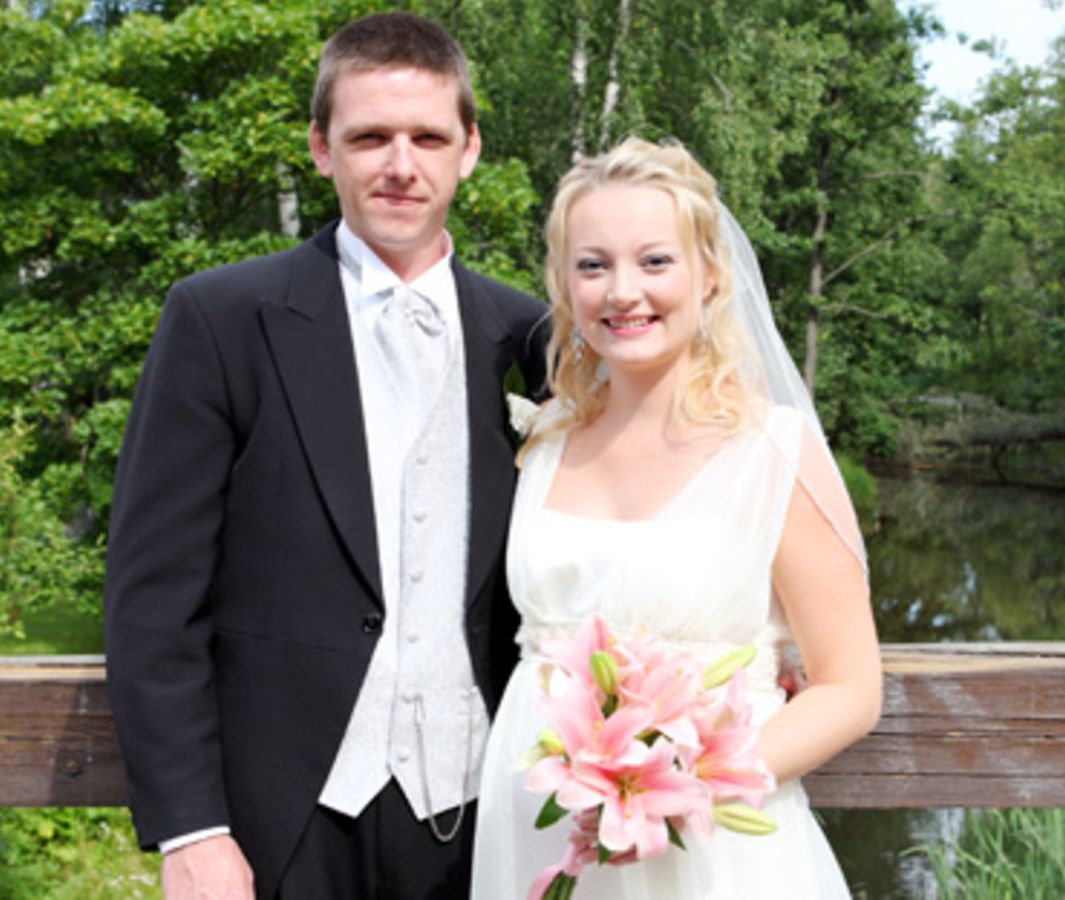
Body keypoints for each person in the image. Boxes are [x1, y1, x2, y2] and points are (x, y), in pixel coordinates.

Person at [103, 12, 546, 898]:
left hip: (485, 812)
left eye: (428, 137)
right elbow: (153, 597)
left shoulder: (535, 335)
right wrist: (191, 827)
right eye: (369, 137)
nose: (400, 164)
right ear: (320, 148)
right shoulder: (219, 318)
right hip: (279, 821)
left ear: (468, 150)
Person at [470, 137, 882, 898]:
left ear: (710, 273)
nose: (623, 291)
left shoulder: (772, 450)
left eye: (655, 261)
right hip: (537, 824)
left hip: (709, 841)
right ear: (564, 284)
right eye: (593, 265)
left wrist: (683, 789)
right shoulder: (544, 438)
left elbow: (850, 689)